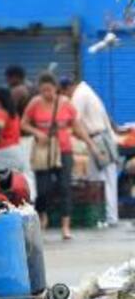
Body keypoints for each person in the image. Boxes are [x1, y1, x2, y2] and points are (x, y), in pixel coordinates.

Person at [22, 72, 99, 240]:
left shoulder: (66, 104)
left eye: (49, 90)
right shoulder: (34, 103)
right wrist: (37, 132)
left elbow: (77, 127)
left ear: (56, 88)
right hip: (44, 152)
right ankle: (42, 216)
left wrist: (90, 144)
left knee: (65, 187)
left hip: (64, 151)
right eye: (43, 91)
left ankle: (65, 226)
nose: (47, 94)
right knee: (43, 189)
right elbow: (24, 124)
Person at [62, 75, 120, 226]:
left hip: (98, 140)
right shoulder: (87, 90)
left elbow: (74, 121)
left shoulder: (79, 95)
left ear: (68, 88)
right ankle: (109, 216)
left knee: (101, 180)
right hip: (103, 138)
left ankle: (108, 217)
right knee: (106, 179)